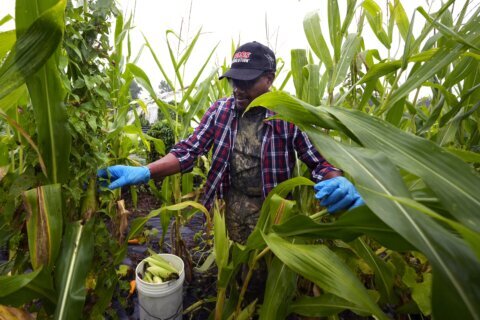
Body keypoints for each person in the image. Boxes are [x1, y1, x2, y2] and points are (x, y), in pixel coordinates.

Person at [98, 41, 364, 244]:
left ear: (269, 79)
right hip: (229, 207)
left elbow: (318, 161)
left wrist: (333, 178)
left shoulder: (288, 115)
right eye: (235, 80)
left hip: (275, 211)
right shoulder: (220, 111)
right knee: (232, 268)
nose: (238, 88)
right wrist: (146, 171)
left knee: (266, 269)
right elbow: (189, 151)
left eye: (247, 81)